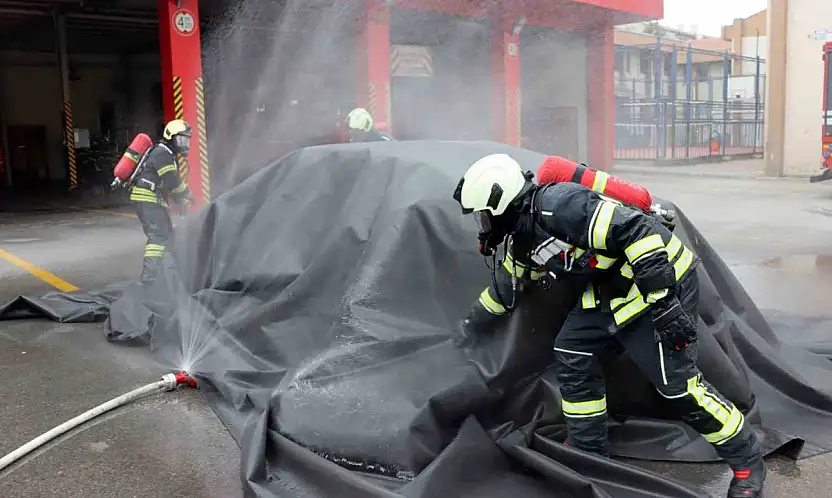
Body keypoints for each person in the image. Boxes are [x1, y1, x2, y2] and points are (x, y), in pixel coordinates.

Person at [452, 153, 765, 498]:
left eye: (483, 215)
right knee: (573, 350)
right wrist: (470, 325)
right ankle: (588, 451)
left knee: (678, 386)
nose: (483, 224)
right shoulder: (523, 240)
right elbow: (504, 288)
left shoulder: (560, 206)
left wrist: (664, 303)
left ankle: (748, 460)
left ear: (501, 203)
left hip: (659, 285)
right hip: (610, 291)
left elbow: (638, 230)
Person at [129, 119, 195, 284]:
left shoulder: (167, 154)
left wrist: (181, 202)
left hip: (152, 198)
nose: (185, 144)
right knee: (158, 235)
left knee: (167, 233)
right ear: (170, 137)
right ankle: (149, 277)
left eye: (186, 140)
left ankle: (166, 272)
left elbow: (169, 186)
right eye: (181, 139)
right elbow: (172, 181)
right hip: (147, 198)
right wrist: (188, 194)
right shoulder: (162, 153)